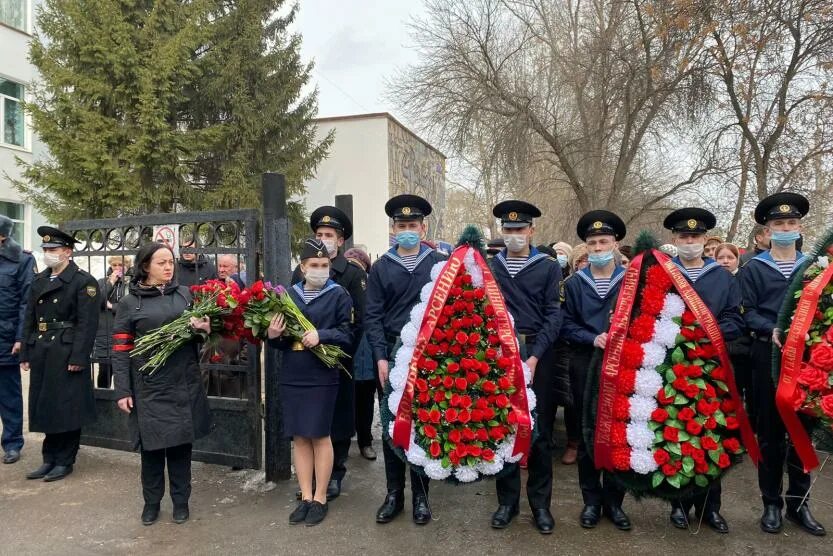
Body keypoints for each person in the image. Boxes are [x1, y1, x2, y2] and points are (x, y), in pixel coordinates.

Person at [739, 192, 825, 536]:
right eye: (778, 224)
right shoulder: (754, 268)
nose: (785, 228)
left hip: (807, 363)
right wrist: (771, 328)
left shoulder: (815, 269)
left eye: (791, 223)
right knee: (772, 435)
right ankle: (771, 504)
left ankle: (799, 505)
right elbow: (745, 310)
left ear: (799, 227)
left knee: (801, 434)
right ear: (768, 230)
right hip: (768, 357)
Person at [112, 242, 212, 526]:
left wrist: (202, 330)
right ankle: (151, 503)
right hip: (149, 386)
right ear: (145, 266)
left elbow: (199, 338)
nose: (169, 267)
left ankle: (181, 502)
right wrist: (123, 389)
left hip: (183, 383)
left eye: (171, 262)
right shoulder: (130, 302)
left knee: (181, 448)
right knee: (152, 451)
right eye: (161, 263)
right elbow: (120, 349)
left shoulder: (184, 294)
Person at [366, 194, 446, 525]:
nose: (408, 230)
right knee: (391, 426)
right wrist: (381, 358)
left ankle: (422, 497)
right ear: (393, 229)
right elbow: (372, 316)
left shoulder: (439, 263)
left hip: (428, 355)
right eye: (402, 226)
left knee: (423, 425)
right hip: (392, 352)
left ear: (423, 226)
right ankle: (394, 494)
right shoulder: (382, 267)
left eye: (413, 225)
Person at [664, 209, 744, 533]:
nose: (690, 241)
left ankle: (711, 508)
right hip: (675, 367)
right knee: (676, 433)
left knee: (712, 434)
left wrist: (704, 333)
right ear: (675, 240)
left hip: (712, 364)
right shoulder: (665, 274)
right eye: (684, 237)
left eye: (695, 237)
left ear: (705, 240)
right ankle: (679, 505)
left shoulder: (722, 277)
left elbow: (736, 320)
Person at [489, 200, 562, 534]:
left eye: (520, 229)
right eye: (508, 230)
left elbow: (553, 313)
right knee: (503, 426)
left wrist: (534, 356)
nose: (514, 235)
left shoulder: (547, 267)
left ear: (532, 231)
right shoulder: (492, 267)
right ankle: (507, 503)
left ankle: (541, 506)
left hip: (537, 352)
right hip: (501, 353)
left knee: (540, 431)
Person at [270, 238, 354, 527]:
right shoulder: (288, 296)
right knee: (299, 437)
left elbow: (348, 335)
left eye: (324, 265)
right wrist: (273, 335)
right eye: (314, 265)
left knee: (319, 435)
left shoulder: (339, 295)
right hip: (293, 373)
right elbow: (281, 344)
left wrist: (322, 335)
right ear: (302, 268)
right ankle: (305, 496)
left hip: (321, 373)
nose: (320, 270)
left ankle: (320, 497)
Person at [560, 210, 631, 531]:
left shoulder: (631, 281)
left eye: (604, 241)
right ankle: (590, 501)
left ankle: (614, 502)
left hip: (624, 365)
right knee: (589, 434)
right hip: (585, 362)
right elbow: (566, 325)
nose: (599, 247)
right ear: (585, 247)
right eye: (592, 243)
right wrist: (592, 336)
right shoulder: (574, 284)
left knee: (620, 434)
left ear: (616, 243)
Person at [291, 206, 366, 500]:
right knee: (309, 423)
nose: (324, 239)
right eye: (320, 234)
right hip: (304, 362)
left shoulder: (350, 275)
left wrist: (338, 353)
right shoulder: (302, 271)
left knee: (337, 419)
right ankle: (310, 480)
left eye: (330, 235)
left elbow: (357, 321)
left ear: (341, 239)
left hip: (337, 360)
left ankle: (335, 474)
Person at [19, 227, 99, 482]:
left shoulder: (83, 281)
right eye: (45, 250)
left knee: (67, 407)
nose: (48, 254)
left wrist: (79, 357)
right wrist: (25, 349)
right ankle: (49, 458)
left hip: (66, 349)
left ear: (67, 252)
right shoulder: (40, 279)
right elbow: (30, 316)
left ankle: (65, 459)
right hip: (42, 348)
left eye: (53, 250)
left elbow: (87, 324)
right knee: (46, 405)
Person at [0, 215, 35, 465]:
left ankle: (12, 443)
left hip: (6, 335)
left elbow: (27, 302)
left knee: (9, 395)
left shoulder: (22, 260)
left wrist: (21, 336)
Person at [344, 246, 378, 461]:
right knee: (347, 399)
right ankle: (344, 441)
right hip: (347, 347)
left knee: (365, 397)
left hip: (367, 349)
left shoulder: (370, 286)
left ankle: (365, 441)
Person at [92, 256, 132, 388]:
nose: (117, 268)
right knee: (104, 373)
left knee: (125, 372)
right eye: (114, 265)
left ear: (127, 266)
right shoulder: (102, 282)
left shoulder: (131, 283)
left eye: (120, 265)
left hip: (126, 333)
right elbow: (96, 301)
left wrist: (112, 307)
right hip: (105, 334)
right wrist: (111, 282)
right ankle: (103, 405)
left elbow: (132, 306)